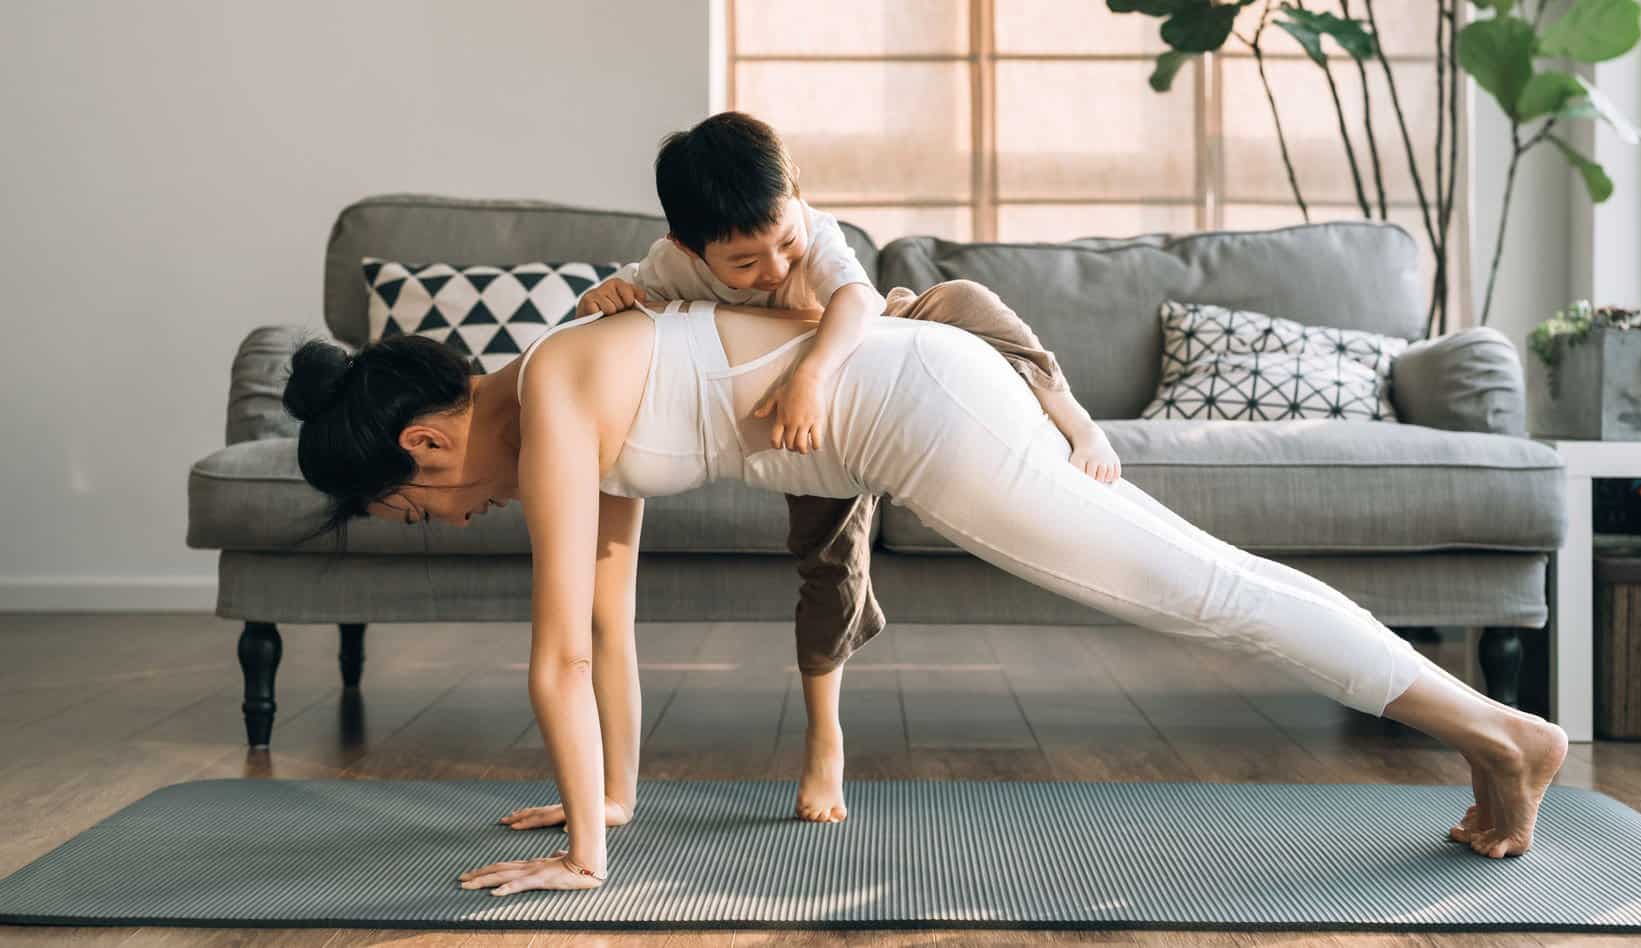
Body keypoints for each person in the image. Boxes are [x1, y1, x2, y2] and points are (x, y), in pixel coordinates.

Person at [284, 296, 1569, 899]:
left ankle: (1502, 738)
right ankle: (1494, 735)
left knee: (1202, 593)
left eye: (419, 512)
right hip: (924, 386)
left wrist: (582, 859)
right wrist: (609, 798)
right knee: (1209, 579)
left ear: (426, 446)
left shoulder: (555, 391)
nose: (454, 520)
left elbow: (555, 652)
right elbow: (611, 616)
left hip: (923, 415)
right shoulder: (561, 382)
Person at [578, 110, 1119, 823]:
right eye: (744, 264)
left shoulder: (814, 233)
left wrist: (814, 376)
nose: (773, 270)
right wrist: (602, 297)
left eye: (784, 245)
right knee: (830, 567)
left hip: (870, 357)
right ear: (688, 245)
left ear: (795, 198)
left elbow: (856, 298)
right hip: (821, 440)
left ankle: (1076, 421)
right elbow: (620, 306)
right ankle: (823, 734)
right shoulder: (670, 263)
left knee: (966, 301)